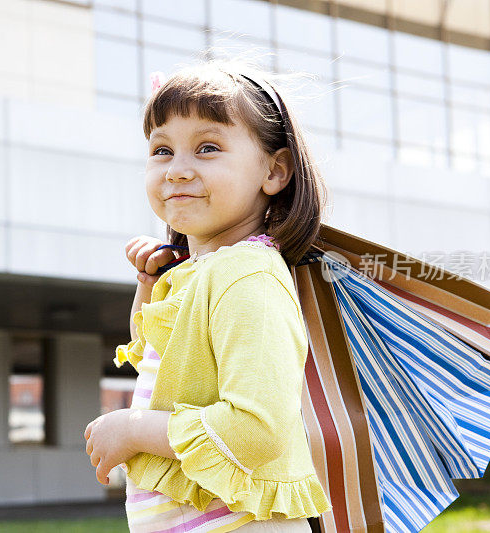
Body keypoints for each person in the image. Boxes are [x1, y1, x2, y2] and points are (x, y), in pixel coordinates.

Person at [83, 55, 333, 532]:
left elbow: (256, 429)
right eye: (161, 150)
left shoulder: (247, 276)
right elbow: (163, 364)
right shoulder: (209, 271)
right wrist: (149, 285)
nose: (176, 170)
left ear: (275, 172)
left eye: (208, 147)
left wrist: (133, 429)